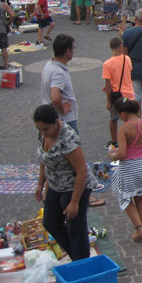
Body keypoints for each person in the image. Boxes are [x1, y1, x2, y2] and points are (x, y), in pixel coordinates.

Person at [34, 103, 98, 261]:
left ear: (55, 122)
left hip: (74, 185)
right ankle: (77, 256)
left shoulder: (67, 138)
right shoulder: (43, 134)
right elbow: (44, 159)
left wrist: (75, 202)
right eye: (40, 129)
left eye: (45, 129)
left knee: (75, 227)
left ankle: (81, 261)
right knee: (50, 222)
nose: (43, 133)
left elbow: (81, 171)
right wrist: (40, 184)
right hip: (56, 184)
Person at [108, 98, 142, 242]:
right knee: (140, 196)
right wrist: (138, 149)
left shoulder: (123, 129)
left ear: (122, 114)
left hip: (129, 168)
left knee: (122, 194)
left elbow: (122, 155)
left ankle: (139, 228)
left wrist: (112, 155)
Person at [102, 36, 134, 146]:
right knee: (130, 119)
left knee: (113, 119)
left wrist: (108, 101)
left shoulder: (107, 64)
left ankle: (115, 141)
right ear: (121, 47)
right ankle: (131, 139)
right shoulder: (127, 59)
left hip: (117, 97)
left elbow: (108, 85)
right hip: (129, 94)